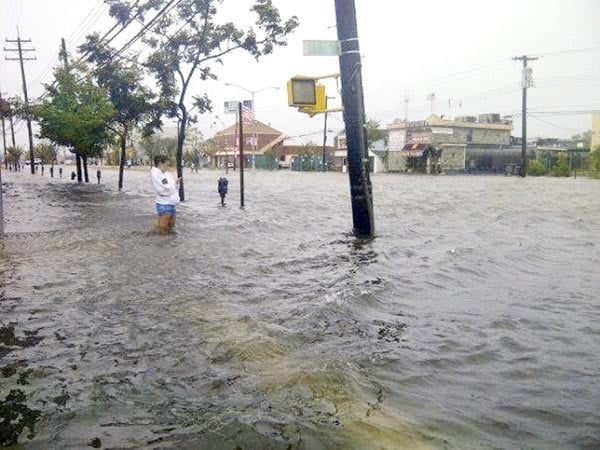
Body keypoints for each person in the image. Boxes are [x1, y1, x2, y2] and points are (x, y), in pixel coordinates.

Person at [150, 155, 181, 231]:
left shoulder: (165, 173)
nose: (168, 167)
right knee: (163, 230)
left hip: (171, 203)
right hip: (164, 204)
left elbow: (169, 186)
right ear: (160, 163)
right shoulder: (156, 174)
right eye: (166, 165)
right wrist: (174, 184)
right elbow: (165, 188)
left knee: (171, 228)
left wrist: (175, 182)